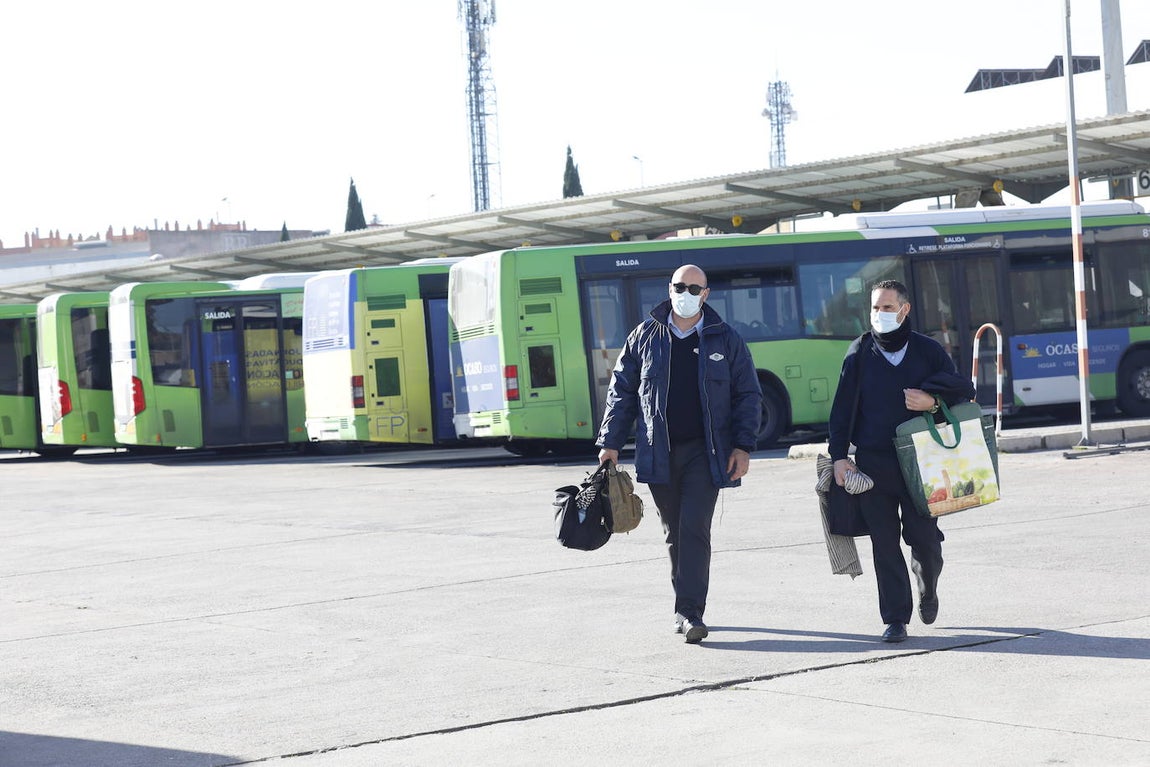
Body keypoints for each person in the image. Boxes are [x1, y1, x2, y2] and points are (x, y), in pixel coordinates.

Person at [597, 264, 763, 644]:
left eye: (694, 287)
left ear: (706, 294)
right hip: (659, 452)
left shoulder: (726, 338)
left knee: (694, 528)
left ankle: (691, 612)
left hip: (707, 454)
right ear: (668, 288)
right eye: (679, 286)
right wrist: (610, 444)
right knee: (674, 532)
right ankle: (683, 607)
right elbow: (621, 391)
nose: (685, 292)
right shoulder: (644, 336)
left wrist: (743, 446)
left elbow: (748, 395)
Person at [827, 279, 976, 643]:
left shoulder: (927, 350)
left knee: (924, 538)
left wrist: (933, 402)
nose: (880, 314)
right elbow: (842, 408)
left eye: (888, 308)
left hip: (923, 460)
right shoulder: (859, 352)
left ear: (904, 310)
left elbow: (964, 390)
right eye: (875, 308)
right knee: (883, 542)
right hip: (873, 463)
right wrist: (838, 458)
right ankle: (895, 617)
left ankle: (928, 584)